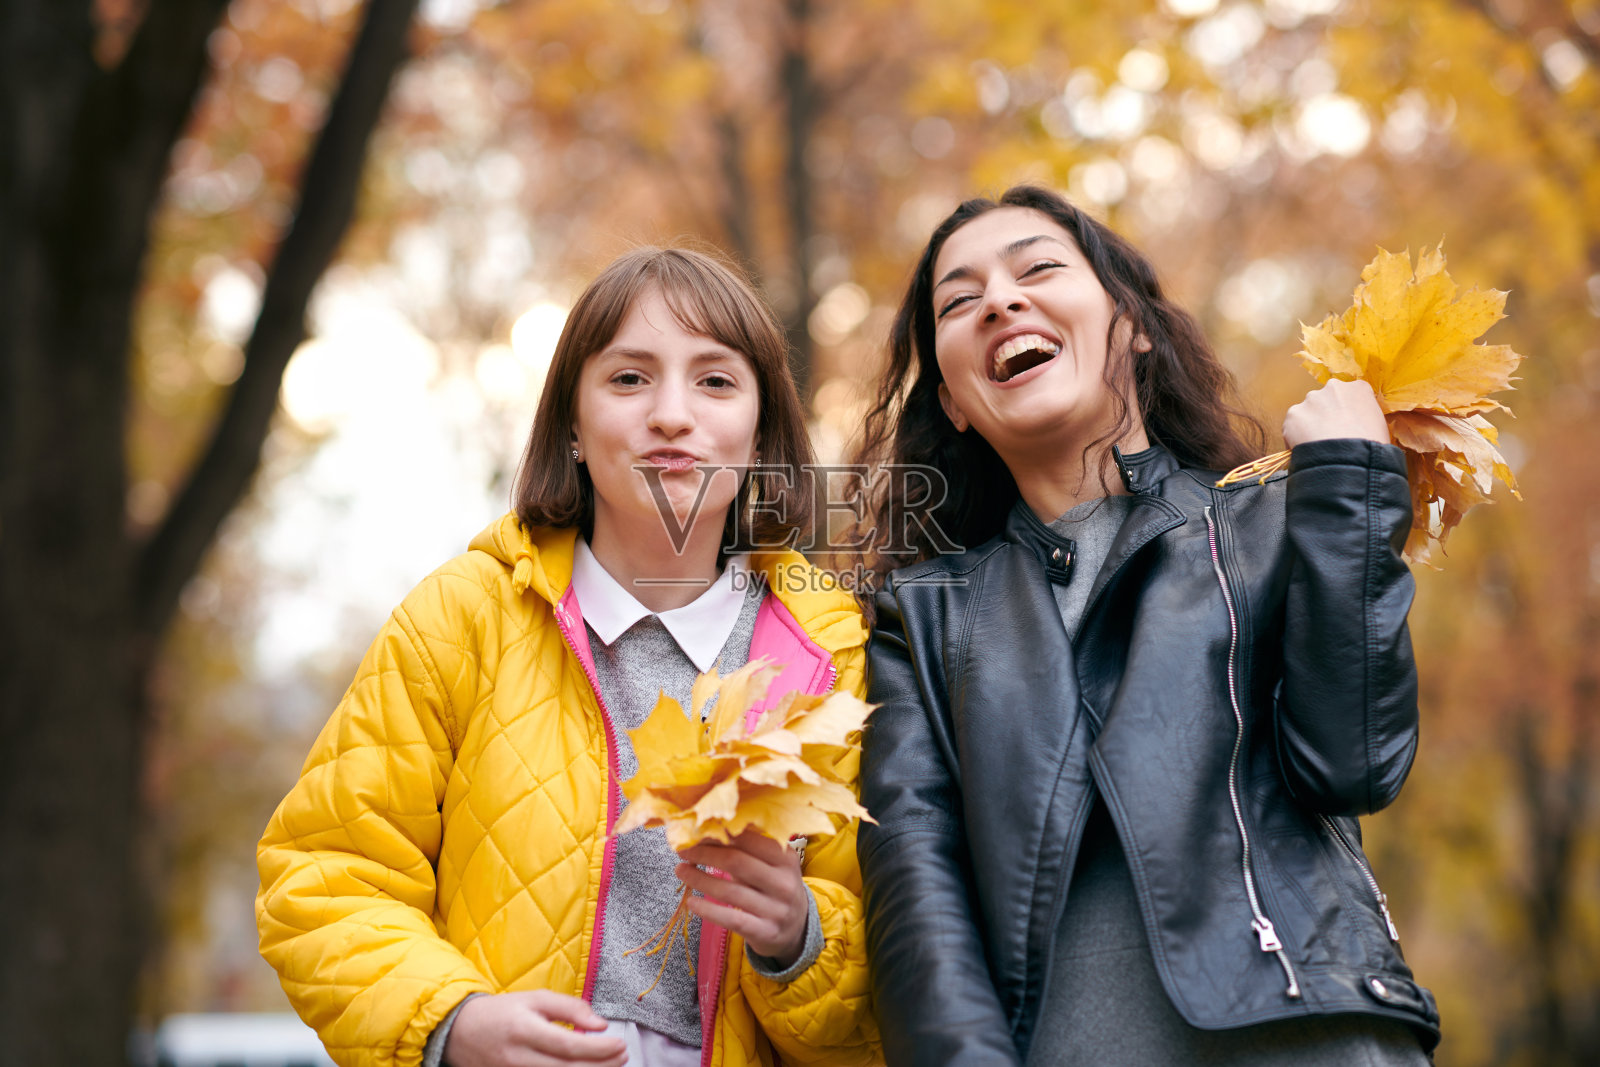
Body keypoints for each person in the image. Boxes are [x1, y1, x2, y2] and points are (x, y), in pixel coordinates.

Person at [852, 185, 1440, 1066]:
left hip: (1311, 1034)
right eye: (959, 300)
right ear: (958, 403)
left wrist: (1352, 483)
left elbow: (1351, 759)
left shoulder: (1273, 521)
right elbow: (915, 887)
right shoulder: (921, 617)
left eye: (1038, 268)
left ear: (1135, 326)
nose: (1000, 302)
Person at [258, 247, 881, 1067]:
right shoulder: (463, 618)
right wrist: (452, 1020)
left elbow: (898, 972)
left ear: (761, 434)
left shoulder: (835, 657)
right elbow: (325, 875)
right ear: (574, 432)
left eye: (715, 380)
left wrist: (801, 937)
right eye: (628, 379)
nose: (669, 414)